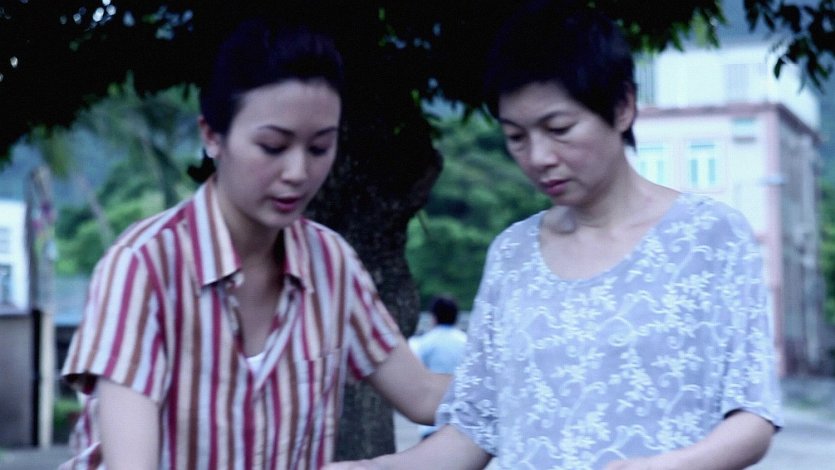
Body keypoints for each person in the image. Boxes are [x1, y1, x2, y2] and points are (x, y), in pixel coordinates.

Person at [325, 1, 782, 469]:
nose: (539, 157)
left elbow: (753, 415)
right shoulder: (513, 254)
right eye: (517, 137)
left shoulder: (710, 235)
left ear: (623, 106)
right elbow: (472, 430)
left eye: (558, 128)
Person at [59, 18, 450, 469]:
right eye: (272, 146)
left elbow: (422, 395)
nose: (298, 173)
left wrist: (517, 372)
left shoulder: (331, 263)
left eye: (319, 148)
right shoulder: (143, 266)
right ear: (212, 135)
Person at [408, 295, 468, 438]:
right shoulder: (466, 342)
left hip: (432, 416)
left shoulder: (424, 342)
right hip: (461, 419)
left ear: (433, 316)